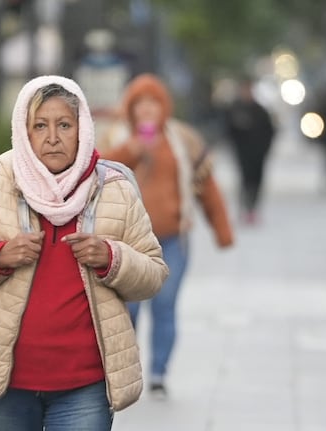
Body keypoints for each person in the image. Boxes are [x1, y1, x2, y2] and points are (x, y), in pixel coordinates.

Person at [0, 75, 169, 431]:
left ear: (83, 129)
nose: (53, 138)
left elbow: (153, 274)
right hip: (5, 385)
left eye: (64, 125)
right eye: (40, 126)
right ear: (23, 131)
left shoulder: (112, 188)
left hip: (85, 385)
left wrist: (111, 257)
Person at [101, 74, 234, 398]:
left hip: (172, 240)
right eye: (140, 104)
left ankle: (159, 372)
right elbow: (98, 175)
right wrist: (132, 149)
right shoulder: (114, 138)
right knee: (125, 310)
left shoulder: (182, 139)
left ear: (164, 107)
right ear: (131, 108)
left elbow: (207, 186)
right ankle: (124, 371)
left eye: (154, 103)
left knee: (164, 305)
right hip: (125, 242)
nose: (147, 110)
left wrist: (222, 230)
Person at [223, 78, 276, 224]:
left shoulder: (260, 110)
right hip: (242, 153)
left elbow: (270, 131)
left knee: (257, 181)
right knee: (244, 180)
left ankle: (253, 209)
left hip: (258, 153)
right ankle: (245, 208)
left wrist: (265, 148)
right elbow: (228, 131)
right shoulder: (234, 109)